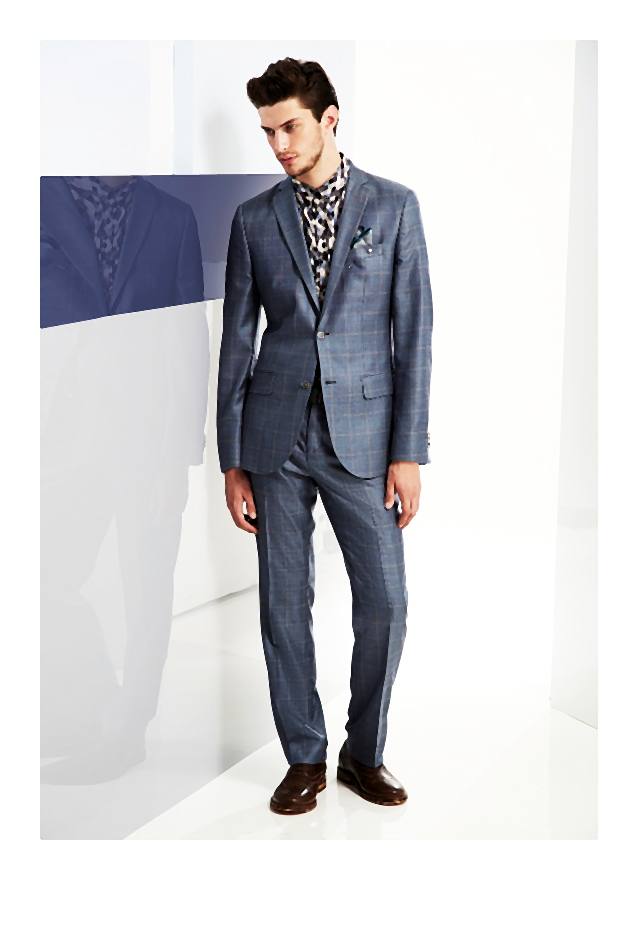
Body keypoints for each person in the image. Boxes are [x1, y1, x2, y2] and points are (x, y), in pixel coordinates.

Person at [216, 57, 433, 815]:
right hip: (273, 438)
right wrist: (232, 460)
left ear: (328, 119)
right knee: (283, 605)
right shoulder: (254, 219)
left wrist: (407, 451)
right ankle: (303, 755)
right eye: (267, 132)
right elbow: (236, 342)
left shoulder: (394, 207)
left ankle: (362, 752)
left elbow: (415, 334)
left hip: (365, 437)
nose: (278, 145)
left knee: (386, 603)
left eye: (290, 127)